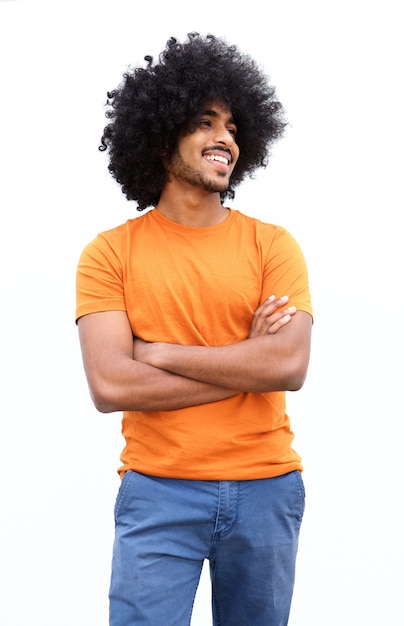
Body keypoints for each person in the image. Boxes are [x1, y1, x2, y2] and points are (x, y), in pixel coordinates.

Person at [75, 32, 313, 626]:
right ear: (161, 137)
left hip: (266, 487)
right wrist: (246, 361)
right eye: (206, 123)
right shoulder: (109, 254)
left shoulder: (272, 245)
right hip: (158, 491)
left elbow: (288, 367)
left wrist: (155, 353)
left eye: (232, 127)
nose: (224, 139)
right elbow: (111, 386)